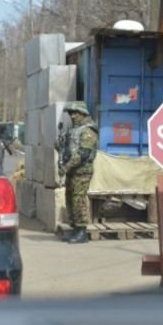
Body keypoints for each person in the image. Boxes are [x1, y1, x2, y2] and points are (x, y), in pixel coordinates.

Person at [58, 101, 98, 244]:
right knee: (70, 199)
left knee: (78, 200)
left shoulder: (88, 131)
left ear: (83, 113)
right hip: (73, 171)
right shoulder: (74, 130)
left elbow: (82, 154)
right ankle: (75, 228)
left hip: (82, 171)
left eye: (75, 113)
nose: (72, 116)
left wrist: (66, 166)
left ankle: (82, 231)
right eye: (70, 113)